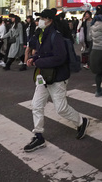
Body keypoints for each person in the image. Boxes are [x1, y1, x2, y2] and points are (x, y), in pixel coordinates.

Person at [24, 8, 89, 152]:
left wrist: (38, 62)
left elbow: (59, 58)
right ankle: (38, 135)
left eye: (41, 18)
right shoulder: (41, 33)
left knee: (61, 108)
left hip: (57, 77)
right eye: (38, 18)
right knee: (36, 105)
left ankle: (81, 121)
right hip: (43, 76)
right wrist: (33, 58)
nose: (38, 21)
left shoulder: (56, 36)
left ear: (49, 21)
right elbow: (42, 54)